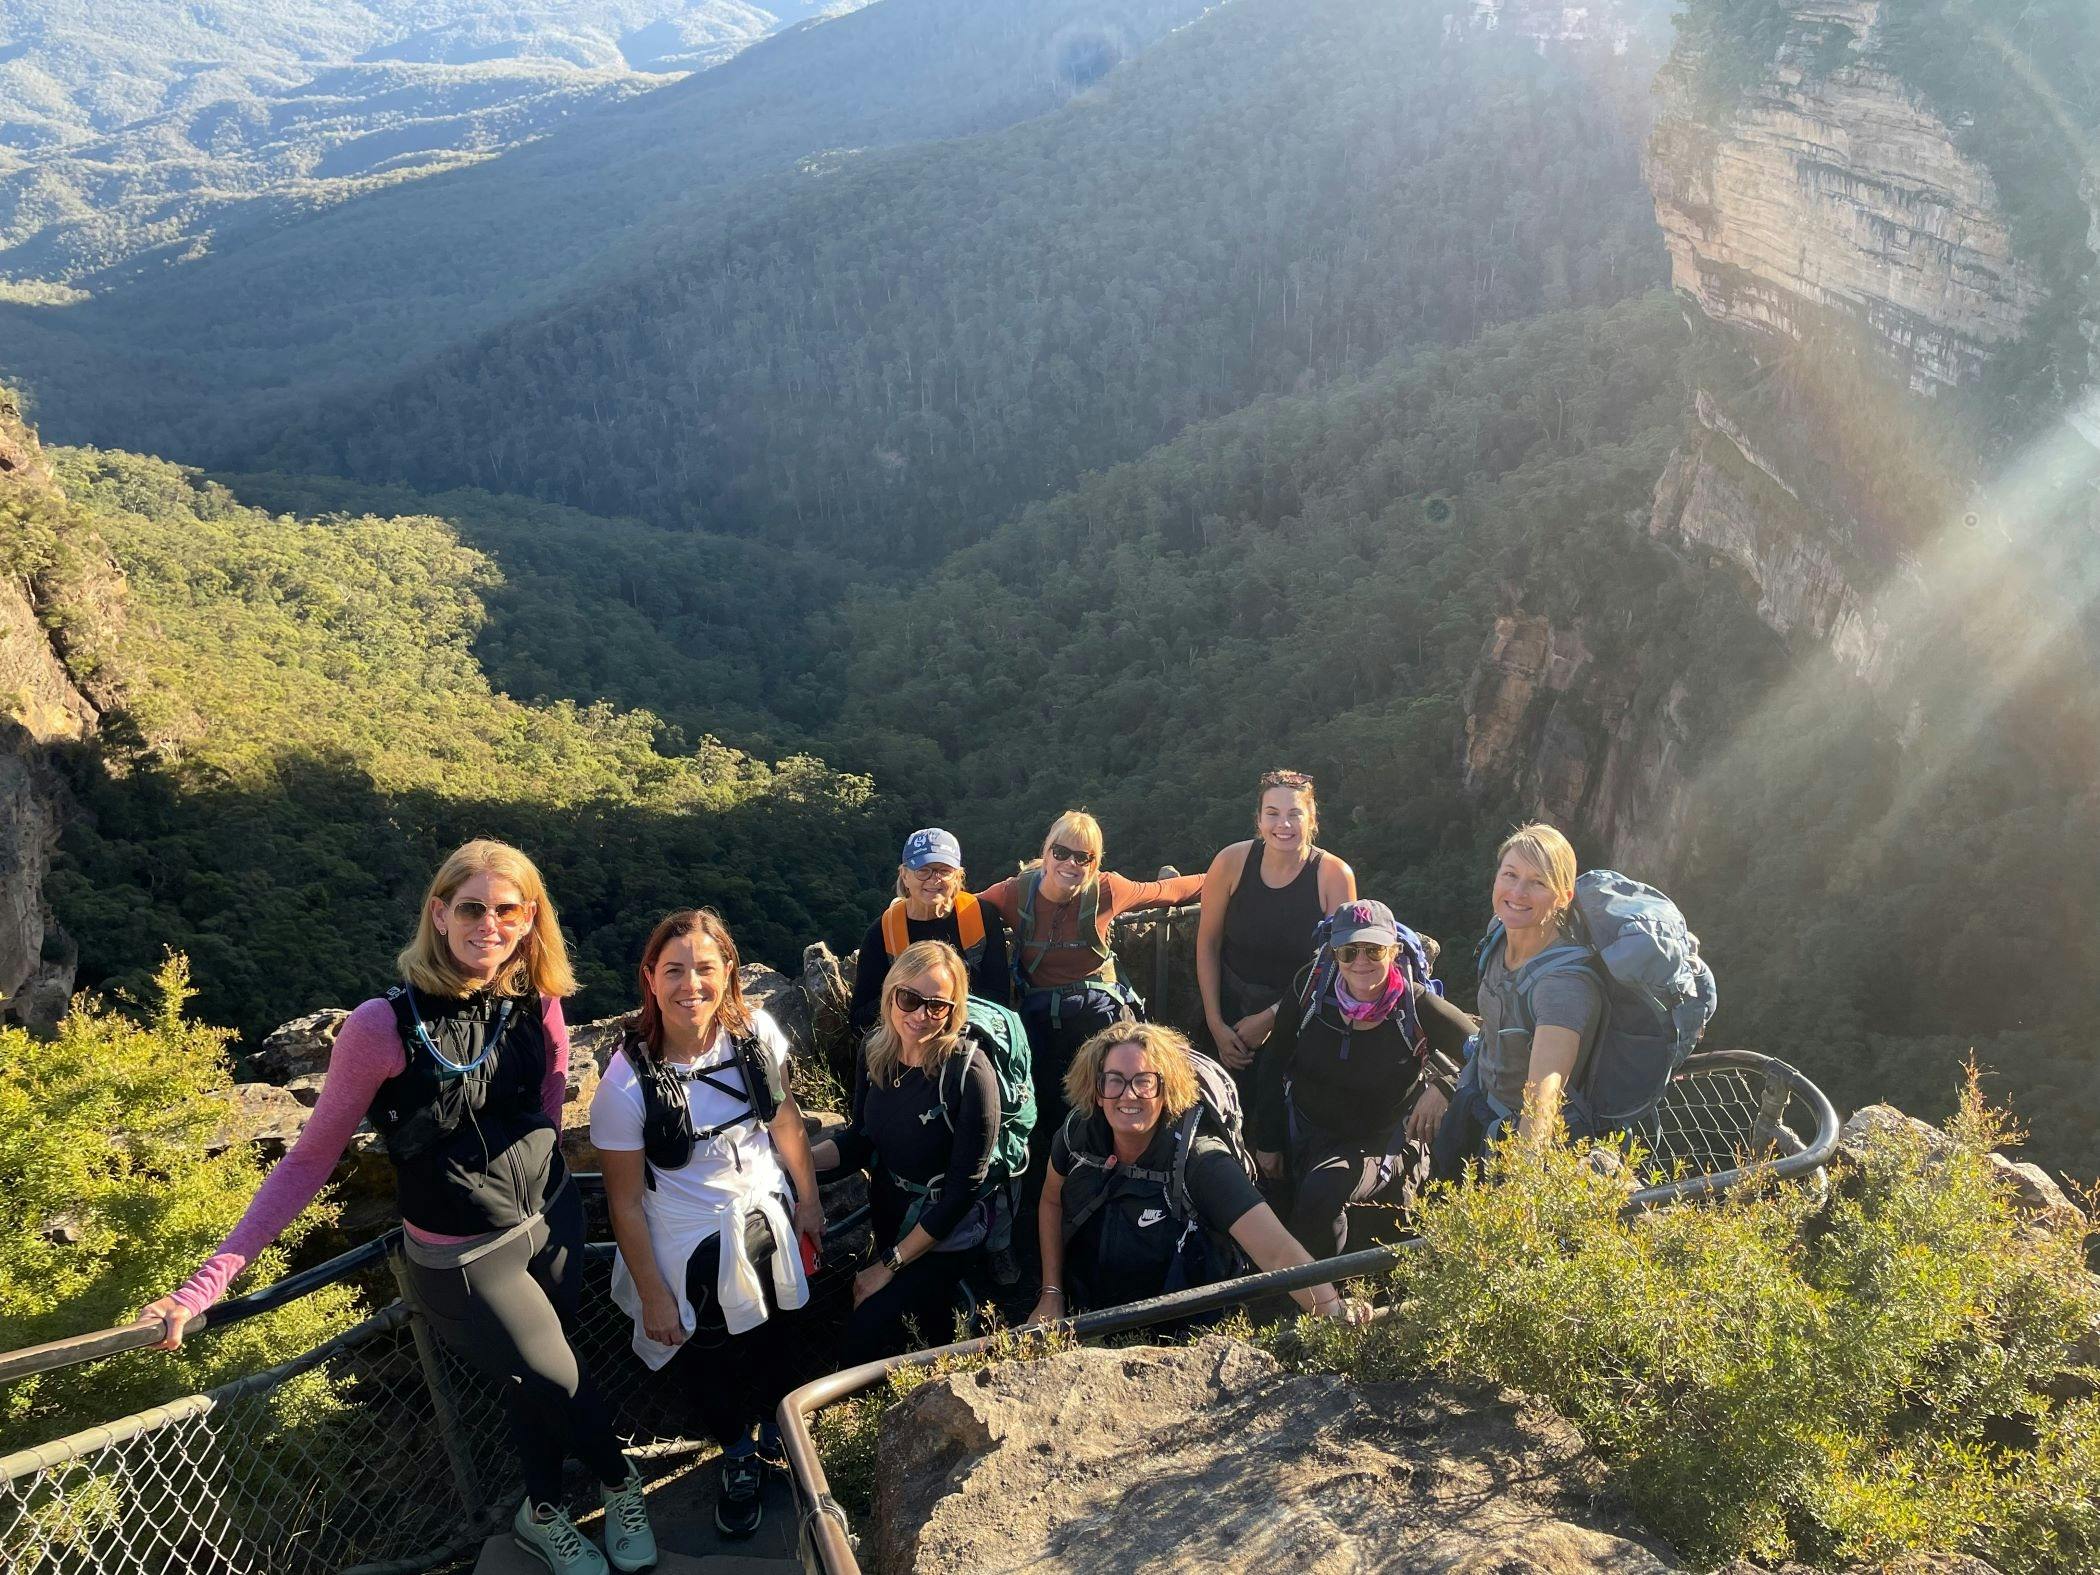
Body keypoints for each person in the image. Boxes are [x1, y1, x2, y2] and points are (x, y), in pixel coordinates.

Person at [140, 840, 653, 1575]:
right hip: (465, 1256)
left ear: (530, 917)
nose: (490, 923)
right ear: (439, 914)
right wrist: (207, 1282)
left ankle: (540, 1512)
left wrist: (548, 1184)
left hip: (552, 1220)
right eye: (472, 907)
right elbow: (310, 1157)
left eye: (509, 909)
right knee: (554, 1378)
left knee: (538, 1381)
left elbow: (546, 1100)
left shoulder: (538, 1000)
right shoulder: (382, 1026)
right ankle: (621, 1480)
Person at [590, 910, 825, 1541]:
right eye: (673, 970)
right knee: (711, 1358)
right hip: (688, 1241)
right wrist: (653, 1294)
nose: (689, 984)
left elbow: (785, 1124)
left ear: (728, 974)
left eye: (704, 968)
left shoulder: (755, 1036)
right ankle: (738, 1455)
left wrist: (808, 1201)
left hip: (764, 1219)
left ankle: (782, 1432)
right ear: (649, 978)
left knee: (780, 1334)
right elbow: (626, 1203)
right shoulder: (625, 1084)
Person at [1028, 1022, 1368, 1326]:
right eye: (1114, 1081)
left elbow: (1278, 1251)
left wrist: (1333, 1311)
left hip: (1177, 1333)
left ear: (1166, 1090)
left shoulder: (1202, 1163)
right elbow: (1050, 1201)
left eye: (1144, 1082)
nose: (1128, 1094)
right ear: (1096, 1090)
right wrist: (1051, 1294)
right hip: (1090, 1312)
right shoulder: (1078, 1136)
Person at [810, 941, 999, 1363]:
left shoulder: (970, 1075)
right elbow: (861, 1140)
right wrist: (797, 1161)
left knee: (863, 1335)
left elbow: (963, 1190)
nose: (919, 1015)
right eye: (910, 998)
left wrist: (888, 1265)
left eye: (937, 1006)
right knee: (892, 1320)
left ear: (954, 1010)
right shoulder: (876, 1052)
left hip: (943, 1233)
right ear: (891, 992)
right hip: (890, 1211)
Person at [1253, 900, 1475, 1258]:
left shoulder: (1416, 1007)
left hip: (1380, 1140)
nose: (1361, 962)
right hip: (1308, 1131)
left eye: (1374, 950)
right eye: (1349, 950)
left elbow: (1489, 1052)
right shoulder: (1310, 989)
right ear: (1333, 953)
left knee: (1323, 1191)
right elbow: (1274, 1059)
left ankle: (1323, 1304)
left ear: (1394, 951)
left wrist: (1446, 1085)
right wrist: (1268, 1140)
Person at [977, 810, 1203, 1135]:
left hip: (1097, 1014)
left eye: (1083, 857)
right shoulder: (1015, 892)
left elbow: (1168, 890)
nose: (1071, 863)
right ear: (1047, 851)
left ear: (1094, 864)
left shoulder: (1107, 890)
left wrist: (1232, 875)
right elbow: (961, 906)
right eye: (1061, 852)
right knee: (1040, 1109)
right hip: (1042, 1021)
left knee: (1112, 1096)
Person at [1431, 823, 1605, 1178]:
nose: (1518, 892)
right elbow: (1491, 1035)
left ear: (1564, 896)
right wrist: (1447, 1086)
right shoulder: (1499, 933)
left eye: (1538, 882)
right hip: (1478, 1105)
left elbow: (1544, 1092)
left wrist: (1519, 1187)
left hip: (1518, 1139)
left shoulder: (1563, 985)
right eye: (1510, 874)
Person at [1195, 769, 1356, 1093]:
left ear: (1312, 820)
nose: (1283, 825)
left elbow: (1339, 964)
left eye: (1294, 814)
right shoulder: (1231, 862)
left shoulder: (1332, 875)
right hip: (1227, 1013)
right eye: (1273, 814)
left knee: (1277, 1127)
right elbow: (1208, 944)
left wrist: (1272, 1017)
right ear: (1259, 819)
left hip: (1299, 1018)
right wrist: (1216, 1024)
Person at [848, 827, 1011, 1033]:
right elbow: (859, 1020)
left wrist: (947, 1019)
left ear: (958, 877)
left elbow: (998, 997)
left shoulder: (980, 917)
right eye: (923, 870)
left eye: (944, 871)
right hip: (907, 1039)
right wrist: (905, 1001)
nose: (934, 879)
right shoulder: (883, 932)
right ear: (904, 875)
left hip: (968, 1032)